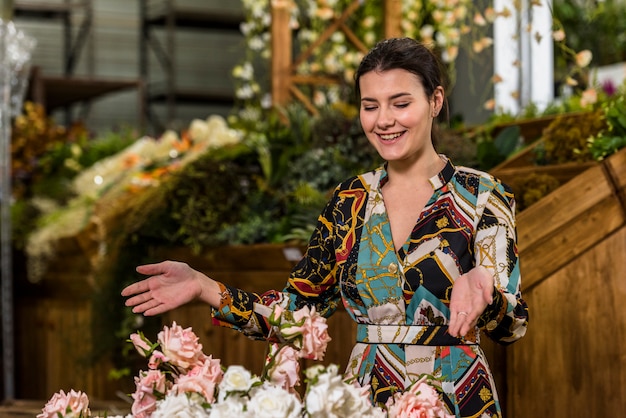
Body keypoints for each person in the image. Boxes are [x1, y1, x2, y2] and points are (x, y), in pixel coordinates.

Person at [122, 37, 529, 416]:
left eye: (400, 103)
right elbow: (296, 314)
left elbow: (512, 326)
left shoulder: (482, 196)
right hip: (365, 398)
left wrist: (488, 294)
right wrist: (205, 288)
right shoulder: (349, 202)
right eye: (370, 106)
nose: (384, 120)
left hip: (460, 397)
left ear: (435, 100)